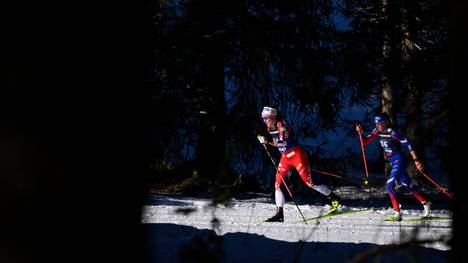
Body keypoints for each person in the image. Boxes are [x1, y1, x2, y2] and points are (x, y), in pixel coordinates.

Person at [257, 106, 340, 222]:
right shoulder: (269, 127)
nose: (264, 120)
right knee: (277, 184)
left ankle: (333, 198)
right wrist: (264, 141)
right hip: (285, 157)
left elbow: (282, 142)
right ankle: (279, 214)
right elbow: (276, 143)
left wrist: (268, 142)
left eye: (266, 118)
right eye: (263, 118)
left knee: (309, 183)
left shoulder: (282, 125)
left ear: (273, 117)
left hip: (296, 155)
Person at [355, 114, 431, 221]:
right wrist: (361, 133)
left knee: (389, 187)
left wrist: (416, 160)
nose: (378, 126)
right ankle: (426, 203)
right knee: (407, 185)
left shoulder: (394, 133)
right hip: (392, 162)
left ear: (386, 122)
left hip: (399, 160)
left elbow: (409, 145)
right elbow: (365, 142)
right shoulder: (377, 132)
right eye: (376, 124)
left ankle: (397, 213)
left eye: (380, 123)